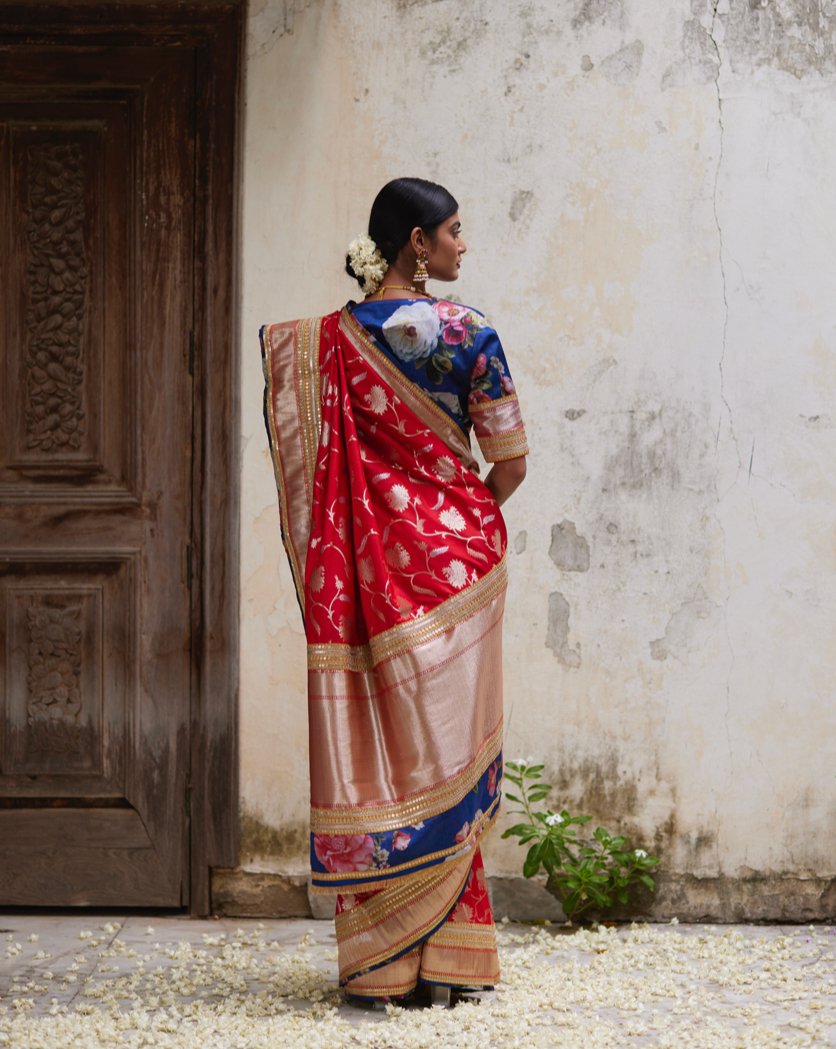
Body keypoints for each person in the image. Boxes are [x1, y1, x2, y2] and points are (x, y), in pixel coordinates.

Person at [260, 178, 528, 1008]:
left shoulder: (329, 343)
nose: (462, 245)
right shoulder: (470, 333)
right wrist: (461, 513)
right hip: (460, 577)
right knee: (448, 753)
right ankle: (451, 959)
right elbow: (510, 459)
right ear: (418, 241)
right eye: (454, 231)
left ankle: (383, 962)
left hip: (366, 578)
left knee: (386, 757)